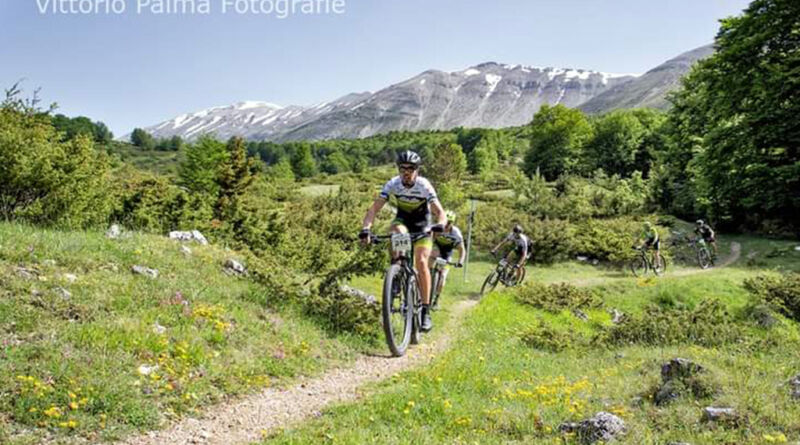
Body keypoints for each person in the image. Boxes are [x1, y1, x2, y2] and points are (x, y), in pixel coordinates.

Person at [359, 150, 446, 332]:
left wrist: (440, 224)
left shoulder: (424, 185)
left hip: (423, 226)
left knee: (422, 262)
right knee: (397, 230)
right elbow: (374, 209)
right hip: (403, 222)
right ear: (399, 169)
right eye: (403, 168)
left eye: (411, 168)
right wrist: (366, 228)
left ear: (417, 169)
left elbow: (440, 212)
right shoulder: (393, 184)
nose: (407, 171)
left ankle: (425, 310)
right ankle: (397, 270)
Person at [430, 210, 465, 309]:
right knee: (430, 262)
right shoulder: (437, 228)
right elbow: (429, 239)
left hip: (447, 253)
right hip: (436, 247)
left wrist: (460, 261)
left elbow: (462, 249)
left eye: (449, 223)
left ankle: (436, 299)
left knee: (442, 277)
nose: (446, 225)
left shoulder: (456, 233)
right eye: (445, 222)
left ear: (452, 223)